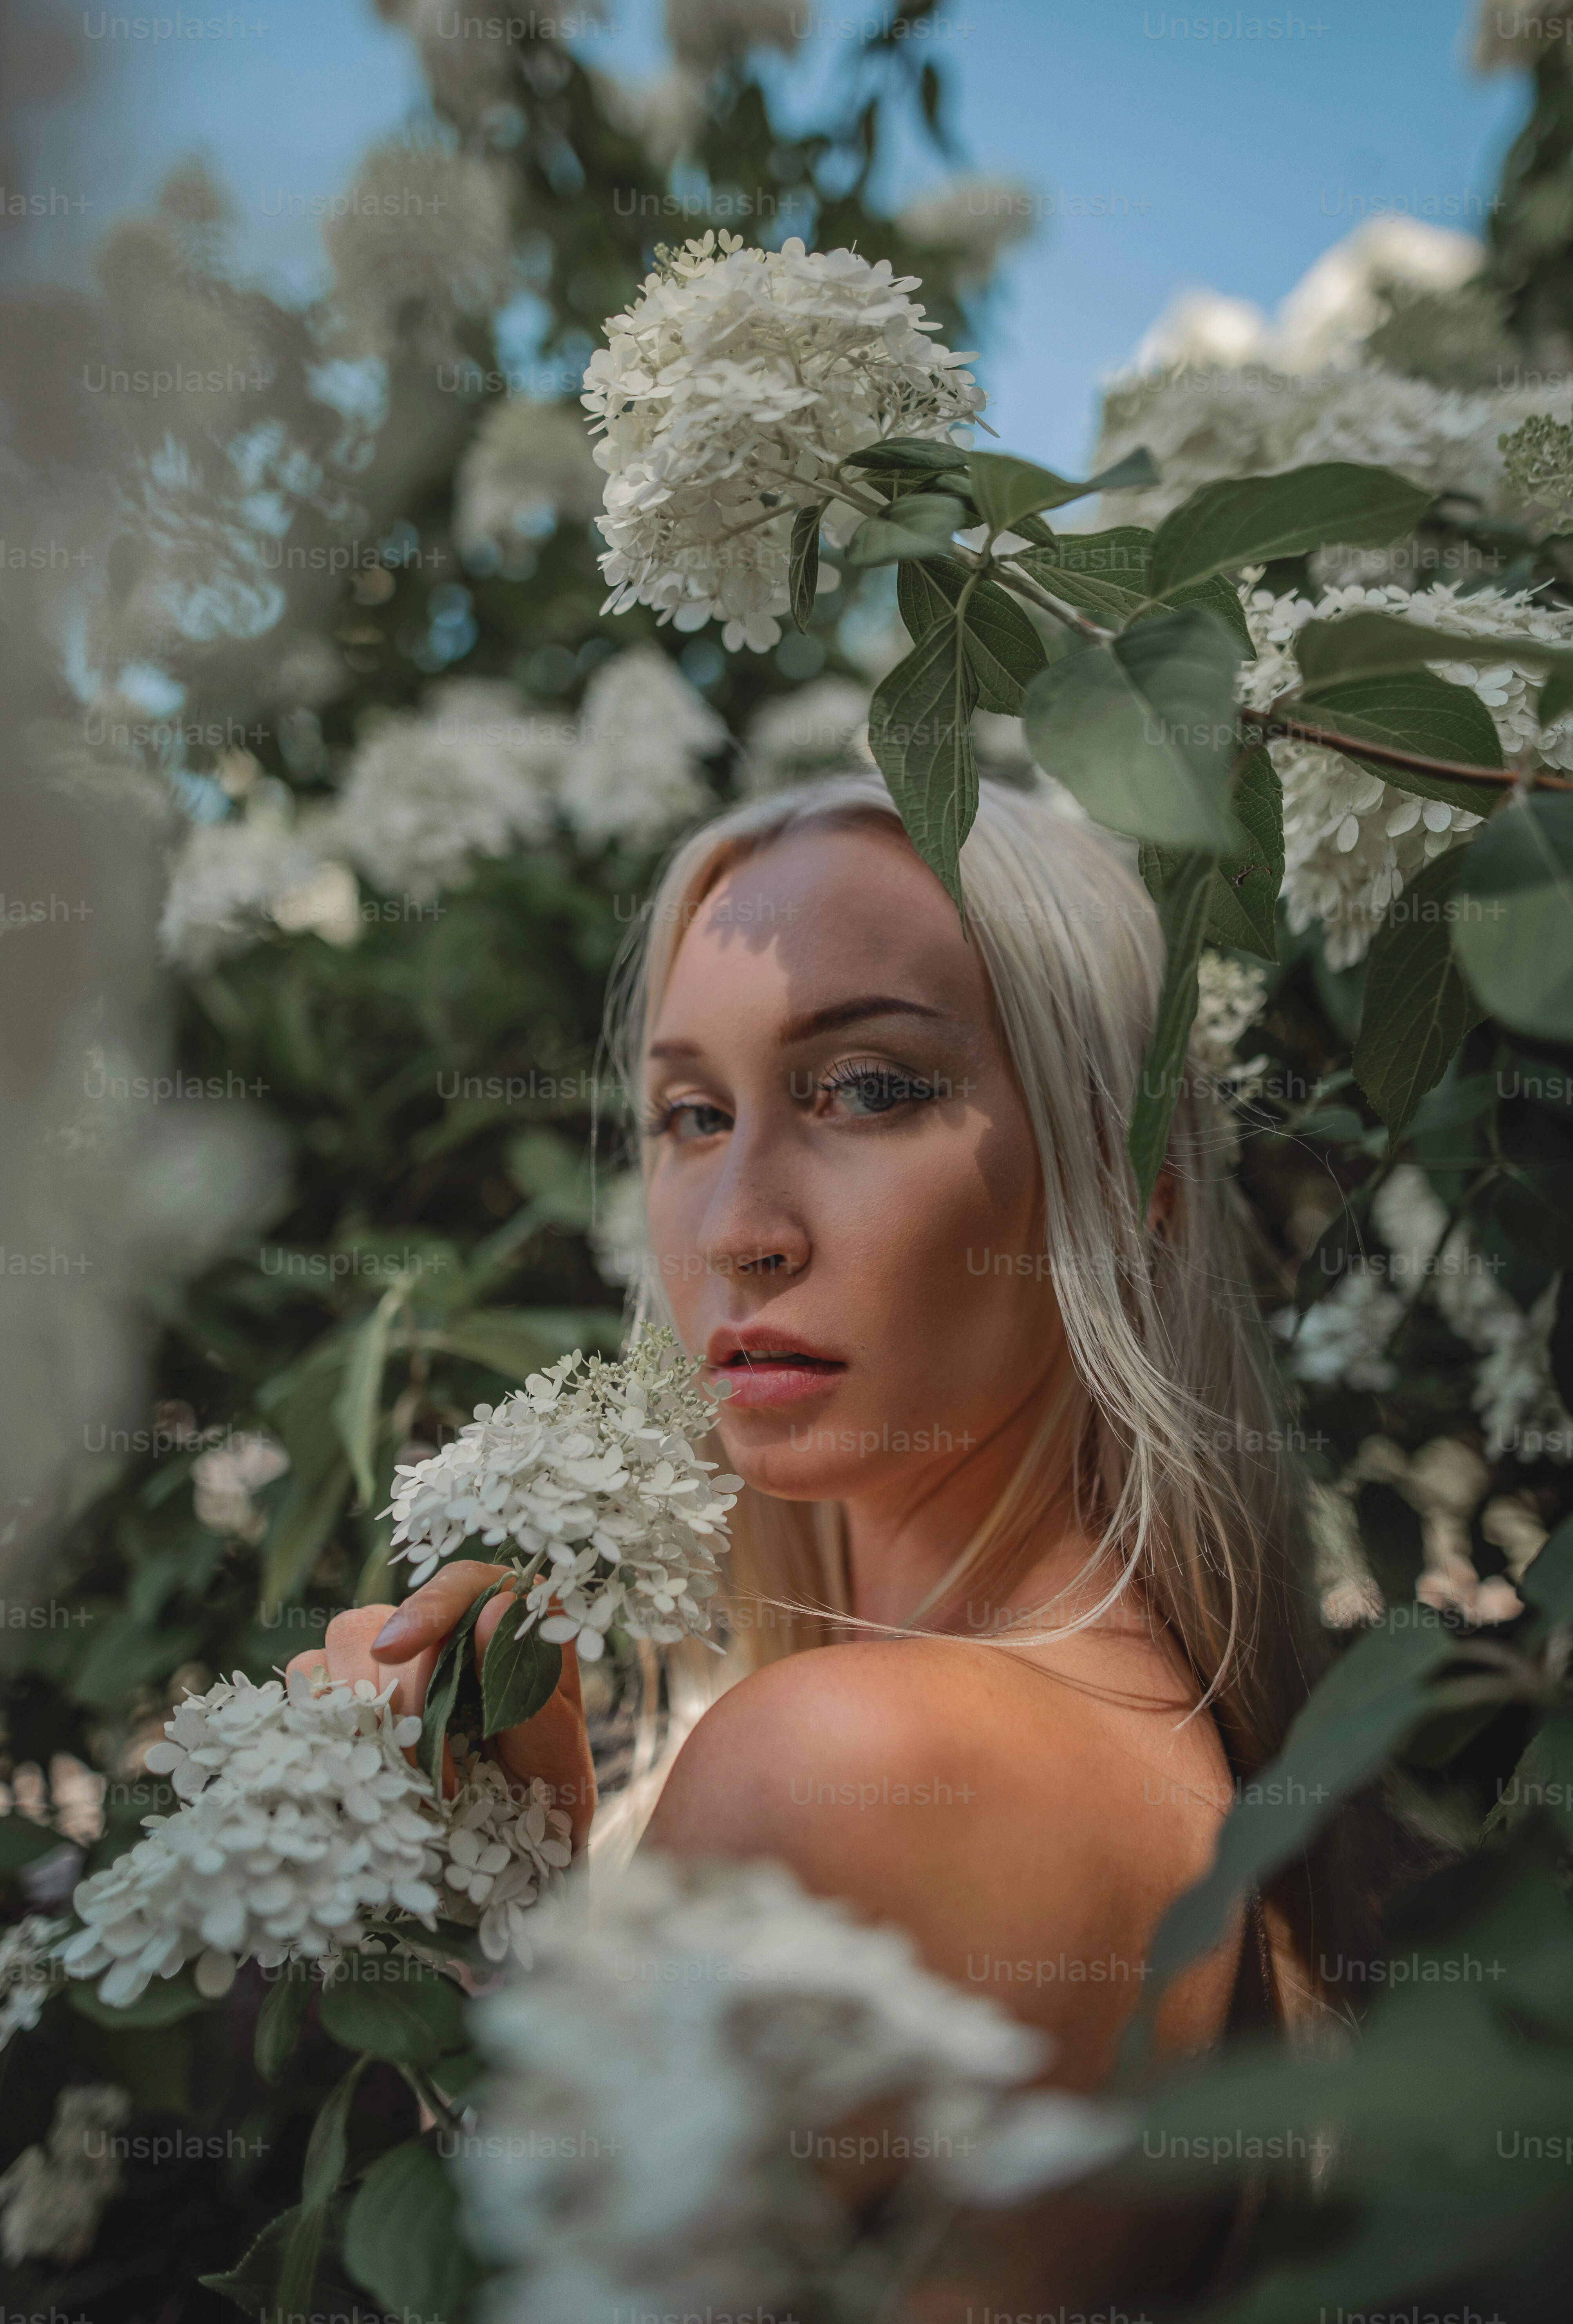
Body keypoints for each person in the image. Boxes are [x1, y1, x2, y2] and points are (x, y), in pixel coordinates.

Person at [291, 773, 1329, 2302]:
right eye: (691, 1114)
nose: (734, 1227)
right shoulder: (1150, 1733)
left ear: (1131, 1187)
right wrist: (508, 1880)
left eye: (866, 1088)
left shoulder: (854, 1758)